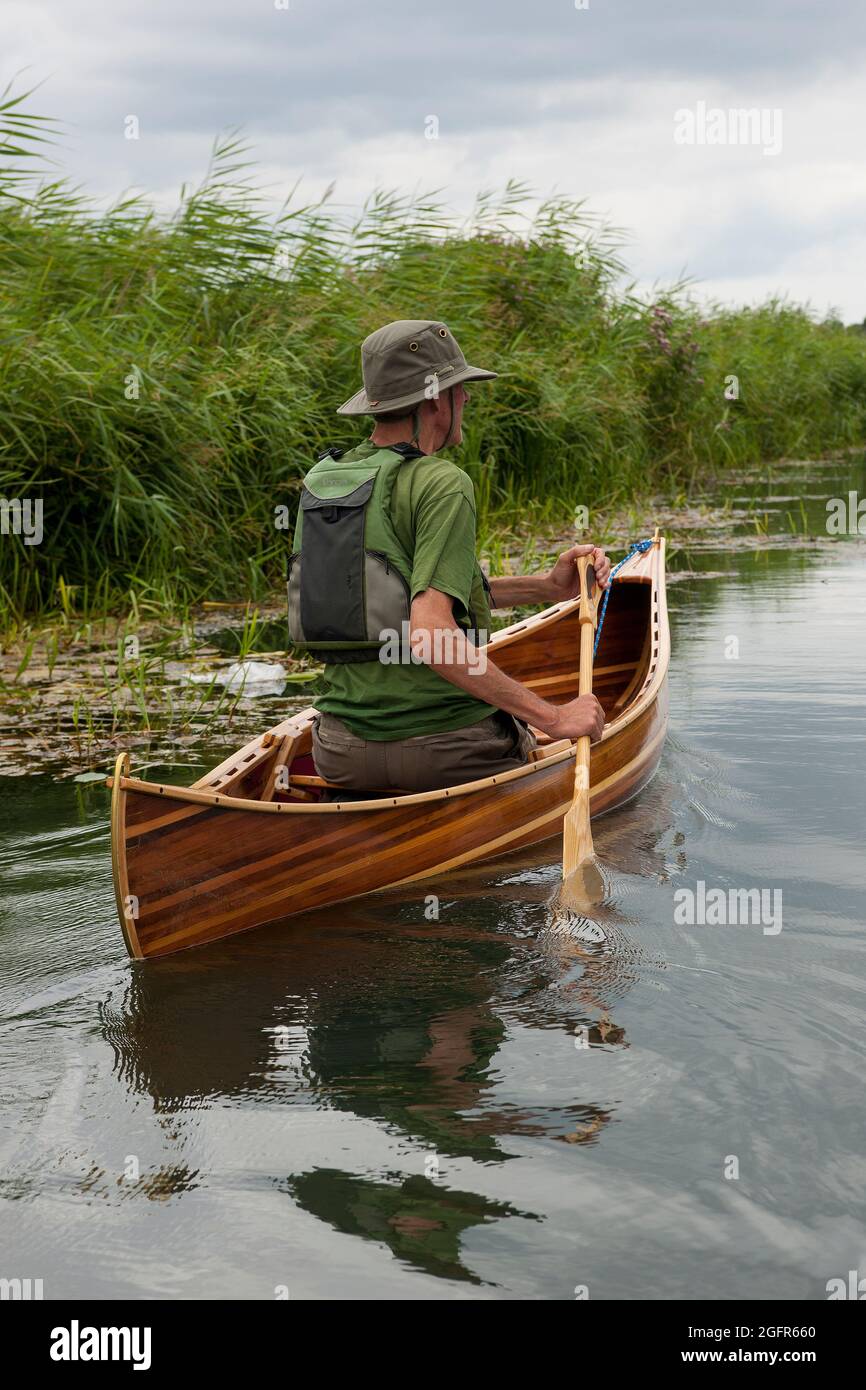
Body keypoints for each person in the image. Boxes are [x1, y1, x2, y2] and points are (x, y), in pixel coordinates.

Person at [289, 318, 610, 793]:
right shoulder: (443, 482)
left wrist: (547, 588)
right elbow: (433, 634)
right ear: (437, 398)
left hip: (341, 752)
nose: (468, 399)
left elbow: (397, 599)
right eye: (461, 389)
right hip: (448, 751)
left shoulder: (324, 480)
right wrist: (554, 717)